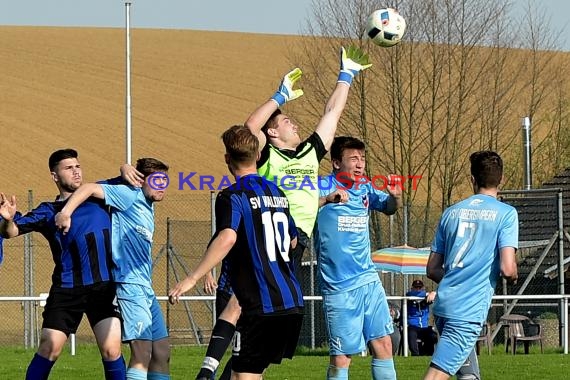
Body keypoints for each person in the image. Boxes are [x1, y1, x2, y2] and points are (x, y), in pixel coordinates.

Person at [195, 45, 372, 380]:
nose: (294, 124)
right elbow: (249, 128)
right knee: (241, 308)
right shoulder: (267, 158)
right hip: (261, 242)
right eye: (287, 121)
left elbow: (331, 115)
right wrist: (279, 97)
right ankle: (209, 370)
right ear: (272, 133)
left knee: (254, 325)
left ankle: (222, 371)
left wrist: (345, 76)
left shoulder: (307, 153)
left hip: (293, 240)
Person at [169, 125, 304, 380]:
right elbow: (293, 242)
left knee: (244, 377)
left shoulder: (232, 196)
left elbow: (228, 237)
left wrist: (193, 278)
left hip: (261, 306)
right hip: (292, 302)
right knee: (250, 374)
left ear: (227, 159)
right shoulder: (277, 193)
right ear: (257, 157)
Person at [0, 149, 126, 380]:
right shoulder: (48, 211)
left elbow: (129, 177)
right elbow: (11, 233)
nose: (76, 171)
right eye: (69, 168)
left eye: (78, 166)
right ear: (54, 176)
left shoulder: (99, 196)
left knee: (111, 349)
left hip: (103, 287)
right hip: (67, 290)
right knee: (50, 347)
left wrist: (125, 168)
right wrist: (7, 220)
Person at [55, 157, 171, 380]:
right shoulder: (129, 196)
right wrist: (66, 212)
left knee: (162, 352)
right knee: (142, 353)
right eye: (156, 181)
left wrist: (124, 167)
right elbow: (89, 188)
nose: (162, 186)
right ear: (141, 181)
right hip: (130, 286)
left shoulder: (148, 205)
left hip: (145, 288)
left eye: (164, 181)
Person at [423, 151, 518, 380]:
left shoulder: (451, 212)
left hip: (444, 306)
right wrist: (513, 276)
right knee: (437, 374)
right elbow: (508, 268)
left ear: (472, 179)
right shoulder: (506, 214)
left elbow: (432, 269)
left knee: (468, 375)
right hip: (467, 312)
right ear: (501, 179)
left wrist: (456, 281)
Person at [314, 136, 402, 380]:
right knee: (342, 357)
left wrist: (395, 197)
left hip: (368, 280)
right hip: (339, 286)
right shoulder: (321, 186)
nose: (360, 164)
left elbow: (389, 208)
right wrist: (326, 199)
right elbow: (299, 209)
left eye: (362, 159)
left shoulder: (365, 187)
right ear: (335, 163)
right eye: (353, 158)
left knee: (384, 345)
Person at [405, 279, 437, 356]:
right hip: (413, 326)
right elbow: (411, 294)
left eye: (420, 288)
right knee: (411, 334)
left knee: (432, 335)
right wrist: (427, 294)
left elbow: (438, 295)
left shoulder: (427, 297)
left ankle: (428, 354)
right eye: (416, 288)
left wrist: (433, 293)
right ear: (412, 288)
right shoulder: (409, 297)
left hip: (424, 327)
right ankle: (415, 355)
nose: (418, 289)